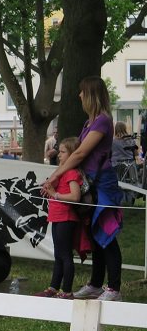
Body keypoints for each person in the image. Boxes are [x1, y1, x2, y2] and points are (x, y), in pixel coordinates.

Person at [43, 76, 123, 301]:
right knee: (94, 234)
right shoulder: (89, 123)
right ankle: (96, 284)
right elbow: (76, 152)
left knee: (106, 233)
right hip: (90, 183)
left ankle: (114, 288)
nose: (79, 95)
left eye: (82, 92)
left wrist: (55, 175)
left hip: (102, 184)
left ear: (91, 95)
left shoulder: (103, 121)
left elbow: (80, 153)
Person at [36, 137, 83, 299]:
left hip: (66, 217)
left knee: (65, 255)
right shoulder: (61, 171)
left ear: (73, 155)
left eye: (63, 152)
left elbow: (75, 196)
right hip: (57, 217)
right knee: (58, 254)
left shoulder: (71, 172)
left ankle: (67, 291)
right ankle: (53, 287)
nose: (59, 155)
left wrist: (54, 194)